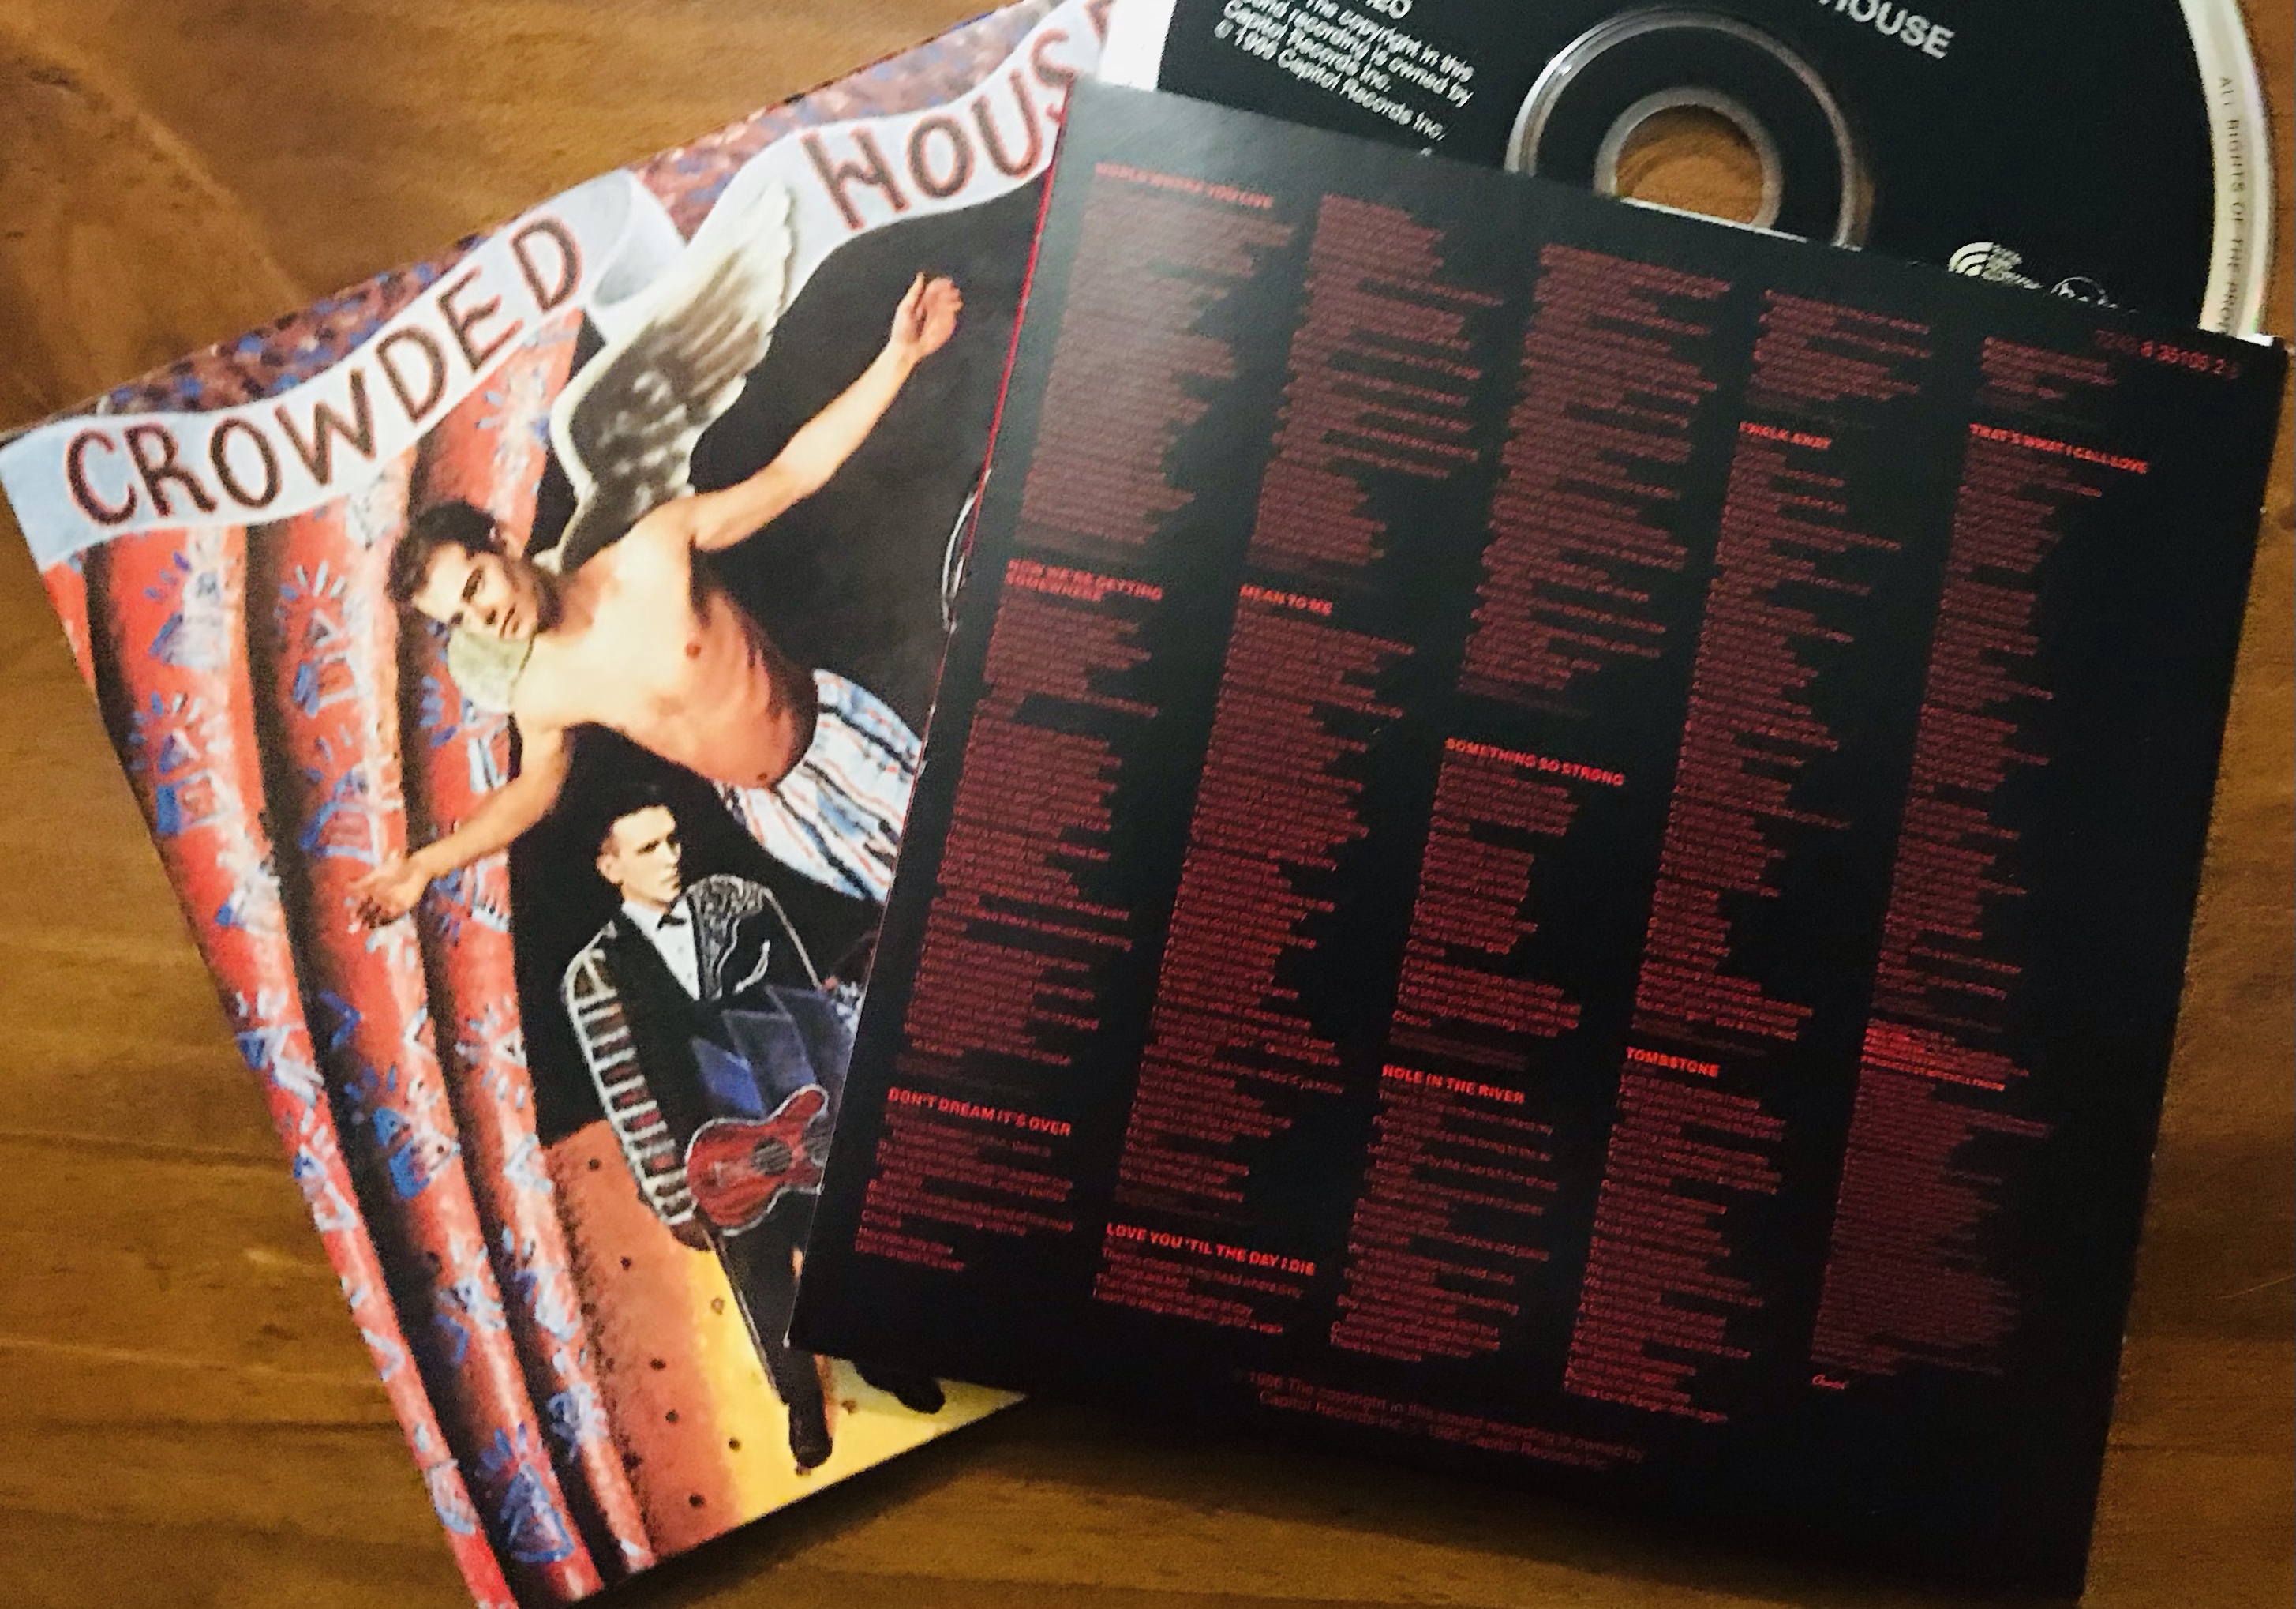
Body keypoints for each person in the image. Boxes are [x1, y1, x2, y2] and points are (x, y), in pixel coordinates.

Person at [350, 274, 958, 926]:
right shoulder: (544, 695)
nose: (484, 617)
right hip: (774, 816)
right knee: (927, 916)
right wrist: (425, 865)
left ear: (502, 544)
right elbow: (530, 795)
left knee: (966, 867)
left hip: (836, 744)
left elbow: (791, 476)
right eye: (460, 618)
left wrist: (899, 357)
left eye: (476, 586)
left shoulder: (652, 553)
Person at [562, 789, 943, 1472]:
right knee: (765, 1289)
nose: (670, 858)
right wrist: (675, 1195)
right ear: (609, 866)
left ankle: (880, 1362)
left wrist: (843, 1122)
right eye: (647, 849)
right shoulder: (594, 974)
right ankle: (801, 1401)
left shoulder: (742, 904)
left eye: (672, 841)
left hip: (803, 1129)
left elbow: (811, 1012)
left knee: (835, 1254)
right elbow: (627, 1094)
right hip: (718, 1168)